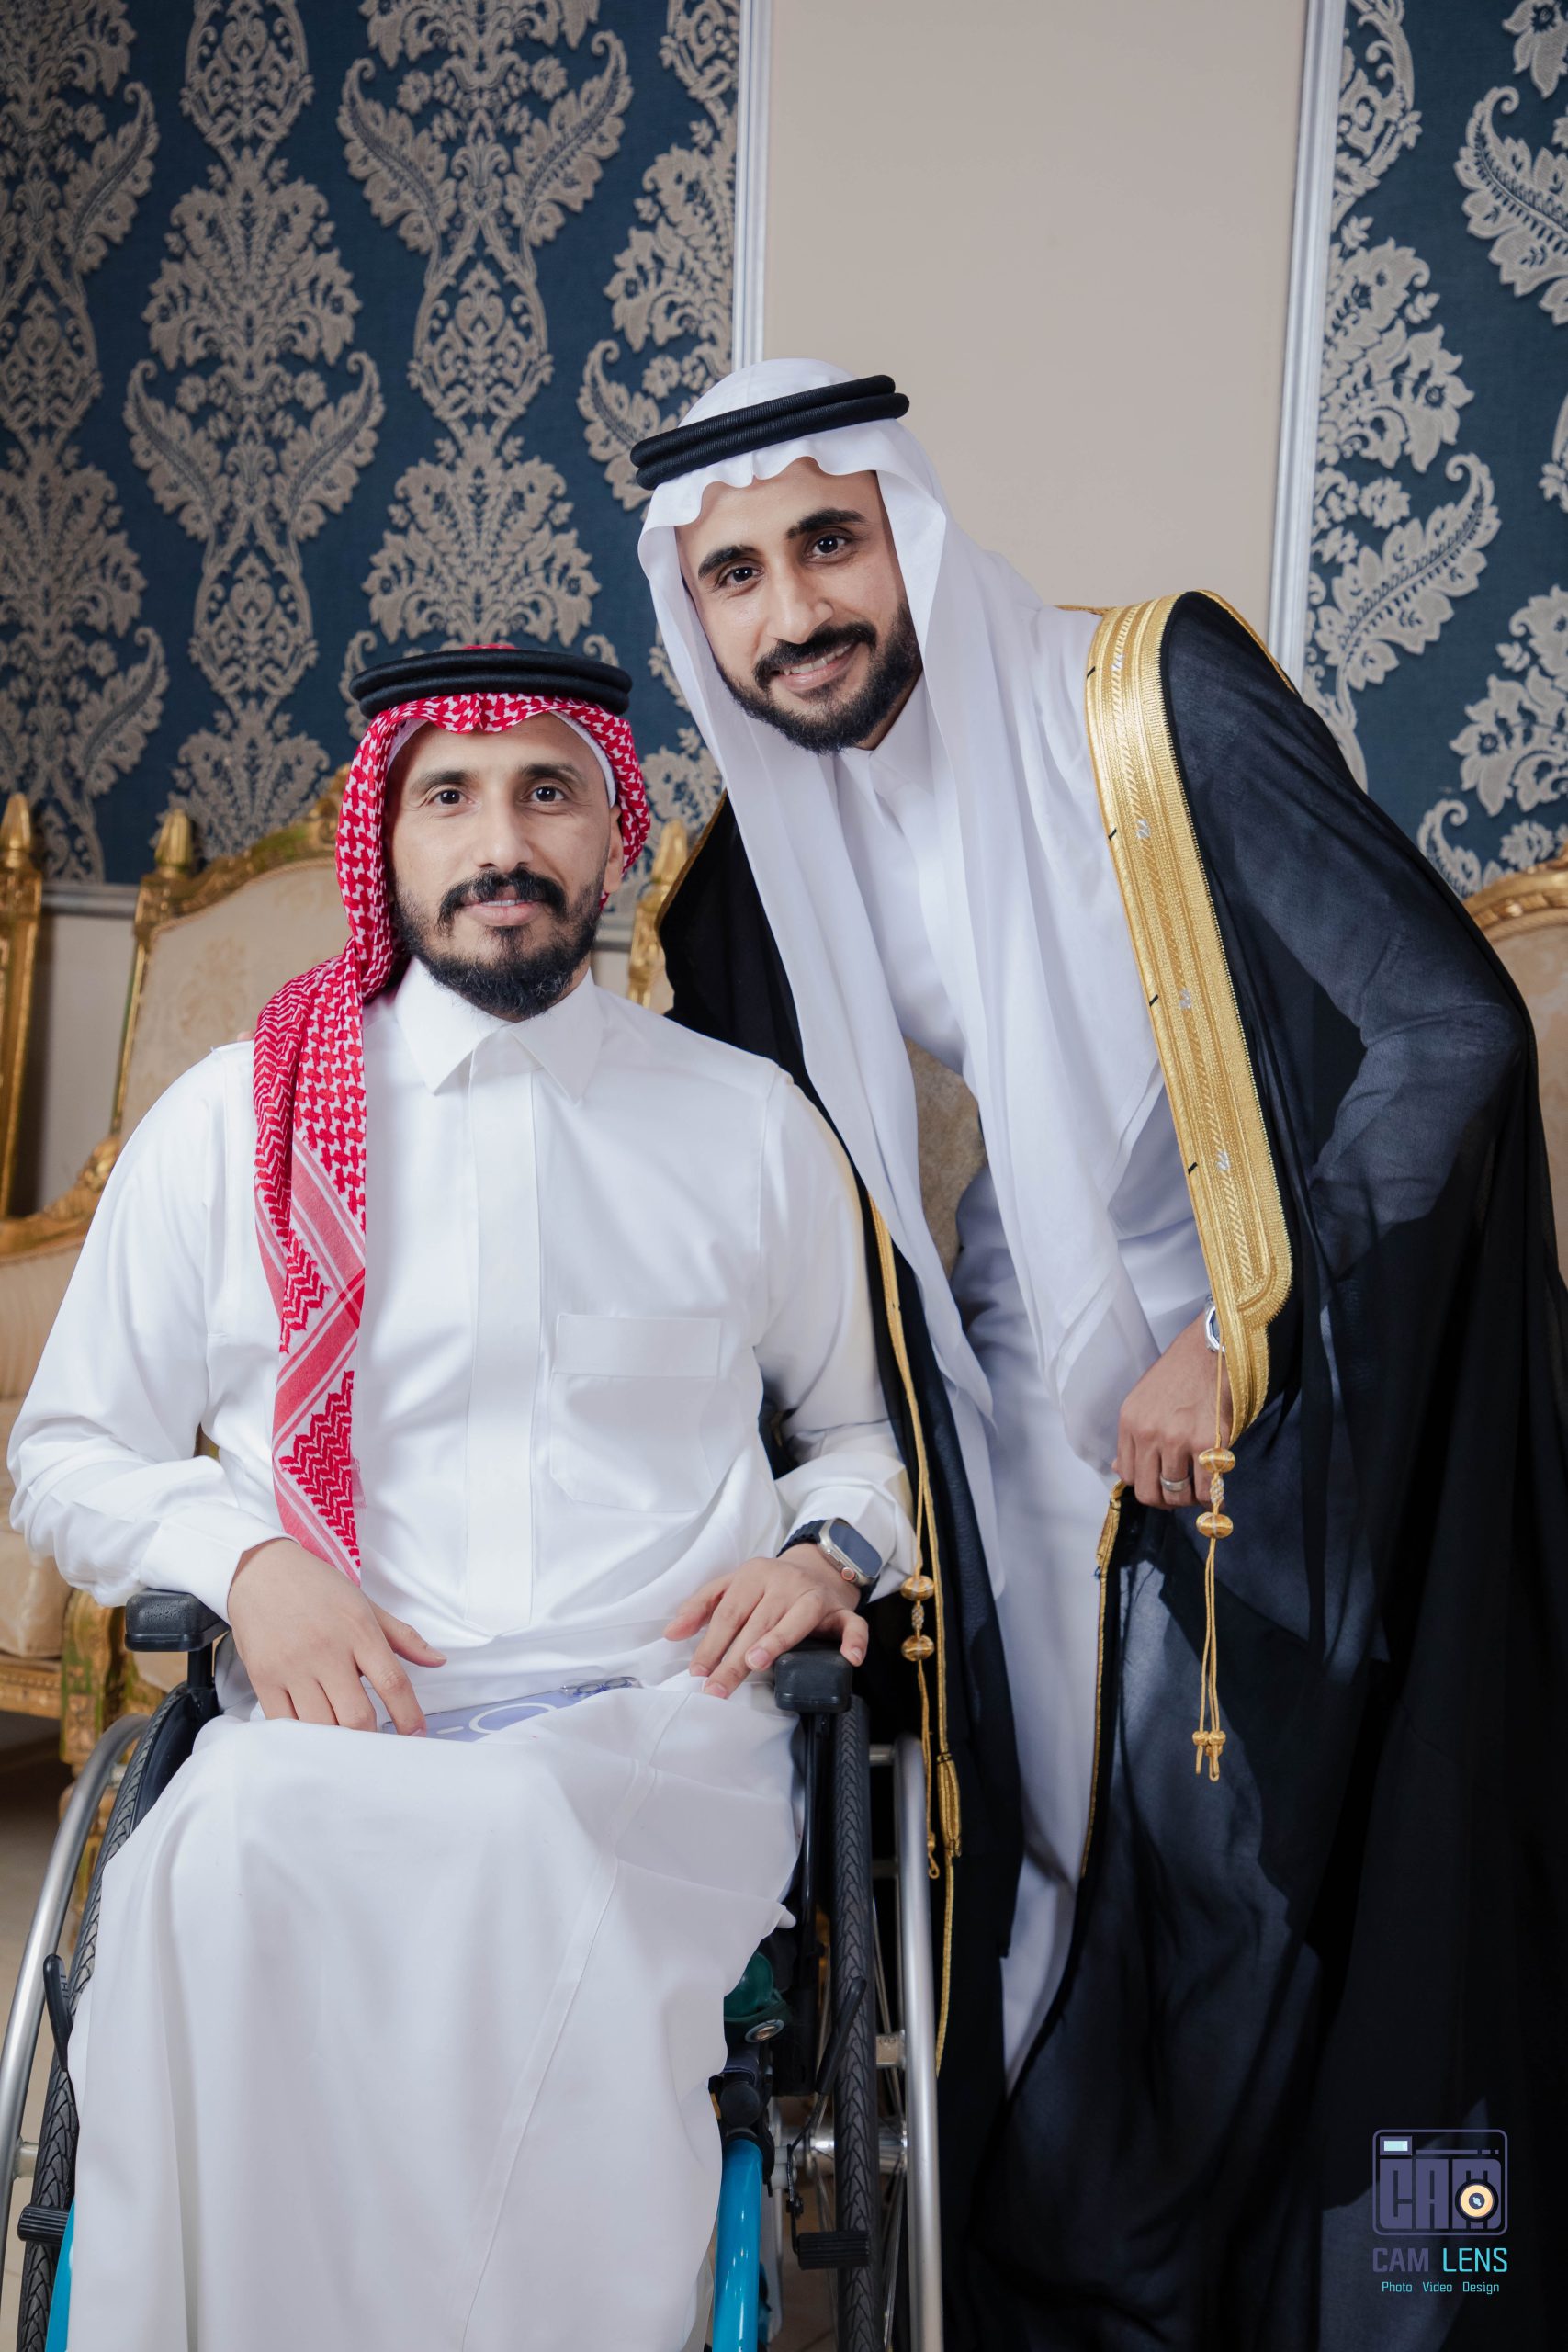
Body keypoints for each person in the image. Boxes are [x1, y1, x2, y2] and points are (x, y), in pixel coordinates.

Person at [632, 362, 1568, 2347]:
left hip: (1280, 1366)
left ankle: (1345, 2294)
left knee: (1256, 1875)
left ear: (908, 529)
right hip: (1006, 1387)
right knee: (1049, 1869)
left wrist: (1237, 1327)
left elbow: (1447, 1032)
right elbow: (745, 1200)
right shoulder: (767, 849)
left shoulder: (1145, 700)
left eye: (828, 541)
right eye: (736, 576)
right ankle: (1093, 2296)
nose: (794, 611)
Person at [8, 642, 914, 2352]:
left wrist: (821, 1556)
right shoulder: (235, 1125)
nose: (501, 844)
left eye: (546, 794)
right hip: (328, 1721)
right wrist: (246, 1562)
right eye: (452, 799)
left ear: (612, 837)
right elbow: (63, 1453)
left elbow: (859, 1441)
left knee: (513, 1843)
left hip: (653, 1724)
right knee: (215, 1862)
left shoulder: (748, 1128)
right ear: (387, 834)